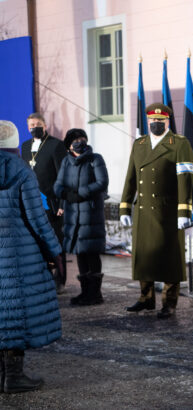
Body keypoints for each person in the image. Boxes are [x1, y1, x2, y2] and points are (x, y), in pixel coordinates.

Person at [0, 120, 64, 393]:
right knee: (16, 312)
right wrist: (55, 252)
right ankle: (13, 376)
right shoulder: (21, 170)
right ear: (15, 143)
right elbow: (38, 220)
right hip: (19, 255)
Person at [120, 103, 193, 319]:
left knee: (170, 258)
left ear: (167, 122)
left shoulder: (179, 144)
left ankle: (169, 303)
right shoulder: (140, 143)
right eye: (152, 121)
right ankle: (146, 298)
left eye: (160, 121)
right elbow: (130, 177)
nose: (156, 124)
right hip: (144, 212)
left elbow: (186, 180)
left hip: (168, 212)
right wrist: (125, 205)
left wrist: (184, 211)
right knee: (145, 256)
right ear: (148, 121)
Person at [53, 129, 109, 306]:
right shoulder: (66, 161)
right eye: (75, 139)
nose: (79, 141)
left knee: (91, 252)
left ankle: (95, 294)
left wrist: (81, 194)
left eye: (82, 138)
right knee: (80, 253)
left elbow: (102, 182)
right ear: (69, 144)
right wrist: (66, 194)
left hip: (90, 213)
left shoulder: (95, 159)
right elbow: (58, 185)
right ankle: (85, 292)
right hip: (73, 216)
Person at [21, 113, 67, 293]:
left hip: (52, 203)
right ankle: (42, 278)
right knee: (36, 243)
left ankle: (60, 279)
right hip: (31, 202)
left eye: (37, 124)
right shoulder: (25, 147)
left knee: (55, 241)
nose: (34, 127)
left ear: (45, 125)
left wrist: (62, 203)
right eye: (31, 125)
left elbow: (62, 177)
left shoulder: (56, 145)